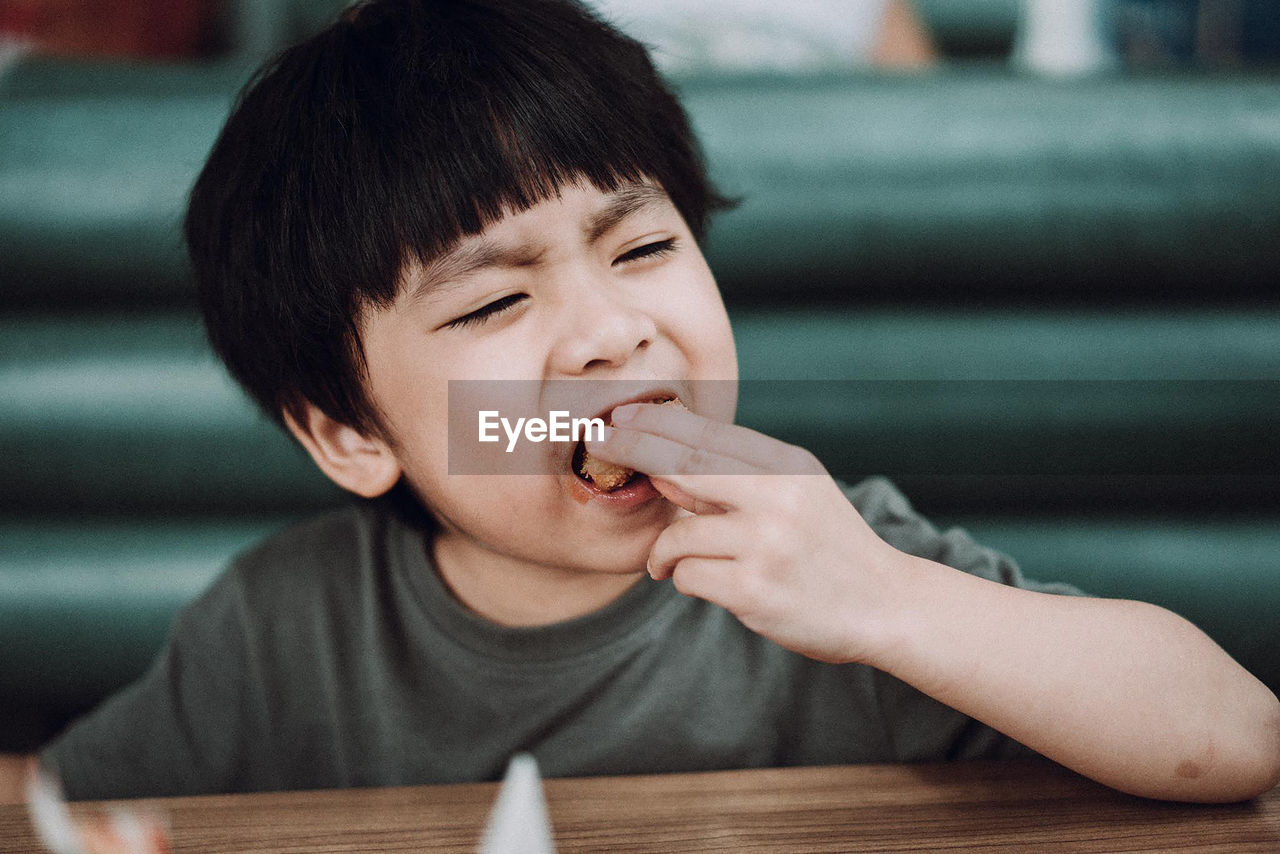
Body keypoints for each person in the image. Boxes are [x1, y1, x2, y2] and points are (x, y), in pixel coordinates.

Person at [2, 0, 1277, 806]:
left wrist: (887, 603)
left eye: (641, 249)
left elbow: (1232, 738)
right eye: (492, 305)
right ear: (351, 431)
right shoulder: (277, 634)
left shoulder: (839, 559)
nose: (613, 331)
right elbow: (59, 803)